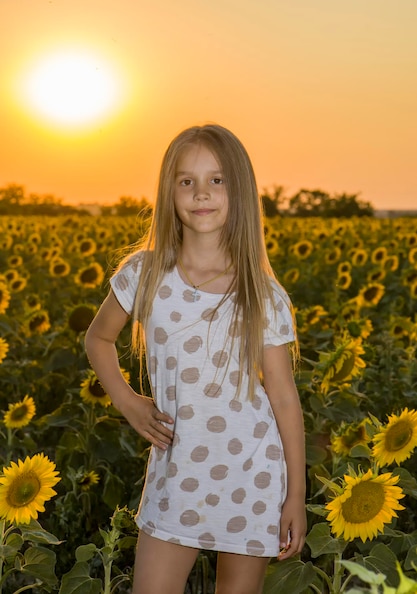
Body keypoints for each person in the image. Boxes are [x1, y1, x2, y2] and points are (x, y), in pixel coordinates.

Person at [85, 124, 307, 594]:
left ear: (239, 191)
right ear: (169, 192)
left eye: (217, 180)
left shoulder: (262, 293)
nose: (201, 193)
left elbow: (284, 399)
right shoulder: (144, 274)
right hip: (177, 473)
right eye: (186, 181)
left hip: (253, 474)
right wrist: (127, 401)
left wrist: (296, 496)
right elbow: (98, 339)